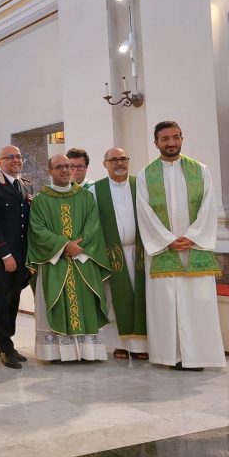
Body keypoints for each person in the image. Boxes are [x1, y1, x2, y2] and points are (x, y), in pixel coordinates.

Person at [136, 121, 226, 371]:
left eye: (175, 137)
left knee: (198, 303)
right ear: (156, 143)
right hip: (164, 250)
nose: (171, 143)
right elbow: (144, 212)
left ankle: (199, 357)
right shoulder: (146, 175)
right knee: (166, 305)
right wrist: (167, 239)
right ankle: (170, 356)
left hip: (194, 248)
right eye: (165, 139)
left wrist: (194, 236)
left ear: (182, 139)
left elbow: (209, 206)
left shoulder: (201, 170)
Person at [27, 154, 111, 362]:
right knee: (55, 303)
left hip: (82, 260)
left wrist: (77, 247)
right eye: (59, 167)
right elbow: (37, 230)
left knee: (85, 304)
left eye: (68, 166)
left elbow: (93, 226)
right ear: (50, 171)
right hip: (54, 262)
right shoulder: (40, 200)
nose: (64, 170)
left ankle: (87, 352)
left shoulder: (85, 197)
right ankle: (56, 352)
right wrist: (65, 246)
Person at [89, 148, 148, 360]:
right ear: (105, 164)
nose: (119, 163)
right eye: (113, 160)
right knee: (115, 299)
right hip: (112, 253)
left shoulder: (140, 185)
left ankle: (142, 346)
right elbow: (91, 224)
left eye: (123, 158)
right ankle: (120, 344)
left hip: (140, 252)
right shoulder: (96, 190)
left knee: (142, 296)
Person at [0, 145, 33, 369]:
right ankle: (5, 345)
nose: (16, 160)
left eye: (19, 156)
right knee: (0, 300)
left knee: (13, 299)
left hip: (21, 255)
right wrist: (5, 254)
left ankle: (5, 342)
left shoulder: (26, 185)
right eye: (10, 157)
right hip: (0, 256)